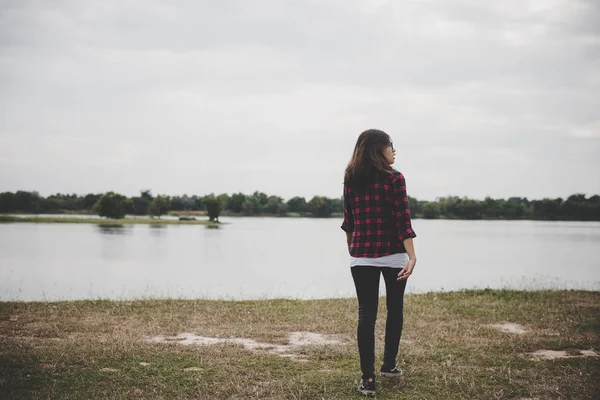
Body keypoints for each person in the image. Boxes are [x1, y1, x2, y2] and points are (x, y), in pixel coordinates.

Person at [341, 129, 417, 396]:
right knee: (394, 309)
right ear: (377, 149)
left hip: (361, 256)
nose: (394, 151)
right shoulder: (395, 179)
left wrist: (354, 251)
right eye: (390, 146)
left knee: (366, 315)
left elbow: (348, 223)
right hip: (393, 254)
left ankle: (368, 380)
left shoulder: (350, 179)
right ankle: (388, 366)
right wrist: (412, 256)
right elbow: (402, 222)